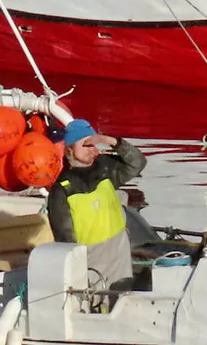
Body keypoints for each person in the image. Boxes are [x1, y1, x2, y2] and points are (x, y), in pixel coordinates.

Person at [47, 119, 147, 311]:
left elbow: (138, 163)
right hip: (91, 263)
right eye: (86, 145)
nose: (94, 150)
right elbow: (65, 238)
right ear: (69, 149)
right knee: (98, 309)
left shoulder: (106, 168)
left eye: (95, 144)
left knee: (124, 306)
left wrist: (111, 141)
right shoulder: (62, 190)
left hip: (119, 256)